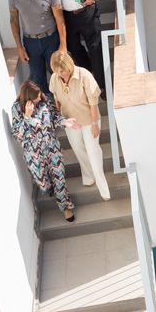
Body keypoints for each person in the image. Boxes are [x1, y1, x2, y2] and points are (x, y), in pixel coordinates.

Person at [9, 79, 75, 222]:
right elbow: (18, 135)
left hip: (52, 147)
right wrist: (27, 117)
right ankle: (52, 188)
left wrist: (65, 122)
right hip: (34, 155)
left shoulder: (45, 101)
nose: (39, 98)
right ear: (27, 98)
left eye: (39, 94)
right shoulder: (16, 109)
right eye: (36, 97)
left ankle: (65, 207)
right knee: (43, 183)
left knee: (59, 178)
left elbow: (55, 117)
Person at [49, 50, 110, 201]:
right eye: (57, 71)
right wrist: (61, 119)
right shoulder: (54, 78)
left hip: (90, 120)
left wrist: (95, 124)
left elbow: (94, 104)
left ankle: (104, 190)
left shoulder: (84, 75)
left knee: (93, 152)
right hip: (71, 122)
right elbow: (57, 100)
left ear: (69, 65)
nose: (60, 74)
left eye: (62, 71)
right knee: (78, 148)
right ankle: (89, 177)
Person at [44, 0, 105, 90]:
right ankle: (89, 72)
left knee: (95, 48)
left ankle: (102, 86)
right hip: (67, 16)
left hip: (87, 12)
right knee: (74, 49)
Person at [8, 0, 66, 94]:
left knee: (58, 73)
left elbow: (60, 20)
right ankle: (48, 107)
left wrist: (63, 45)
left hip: (51, 40)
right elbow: (14, 20)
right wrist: (19, 47)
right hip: (30, 43)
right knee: (38, 79)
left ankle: (63, 100)